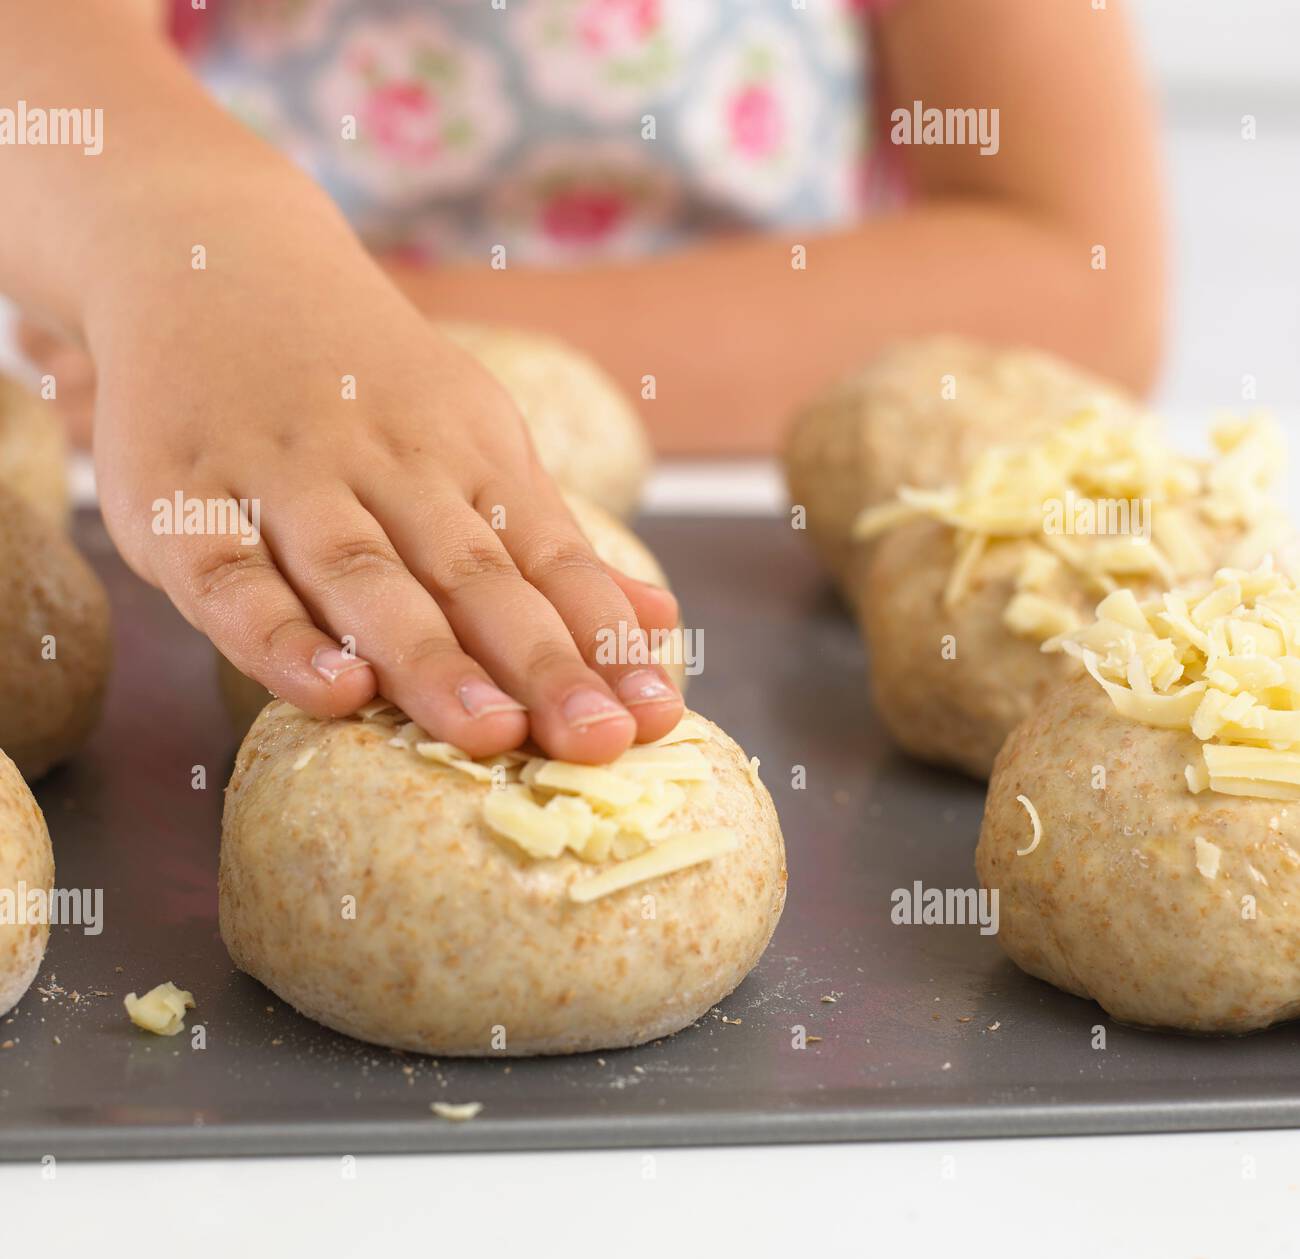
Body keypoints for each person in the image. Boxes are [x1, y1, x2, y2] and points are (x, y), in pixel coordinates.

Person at [0, 0, 1164, 762]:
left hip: (743, 485)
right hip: (230, 480)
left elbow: (1078, 274)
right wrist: (204, 251)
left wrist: (388, 336)